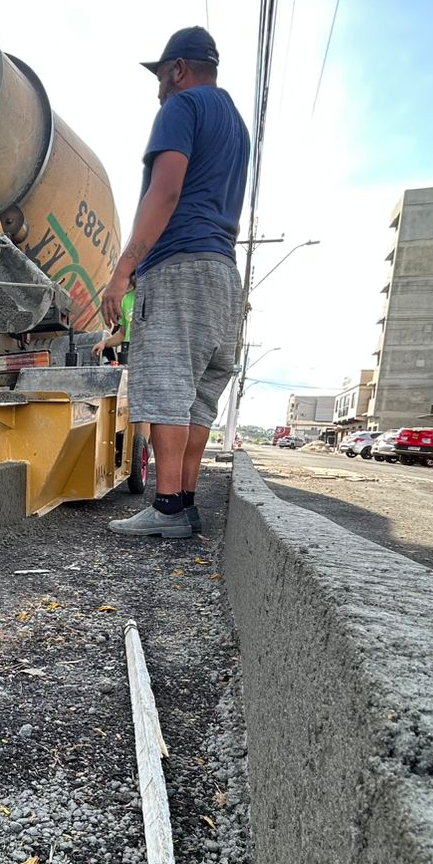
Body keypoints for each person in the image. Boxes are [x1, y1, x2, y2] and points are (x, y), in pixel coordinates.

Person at [99, 26, 248, 539]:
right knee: (199, 394)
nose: (158, 87)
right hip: (224, 273)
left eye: (162, 75)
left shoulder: (181, 109)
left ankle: (166, 507)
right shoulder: (235, 123)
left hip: (179, 264)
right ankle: (183, 503)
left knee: (165, 382)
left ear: (179, 68)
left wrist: (122, 271)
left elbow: (164, 192)